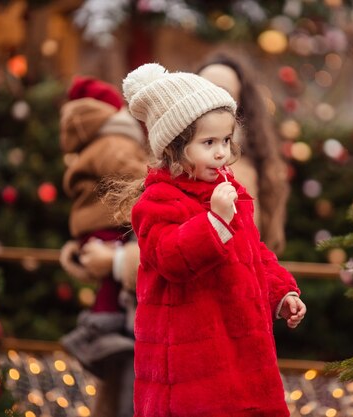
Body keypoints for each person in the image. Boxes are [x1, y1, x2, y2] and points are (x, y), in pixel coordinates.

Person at [109, 63, 306, 417]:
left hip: (242, 351)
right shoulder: (157, 202)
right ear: (173, 148)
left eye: (226, 141)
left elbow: (253, 251)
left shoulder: (228, 191)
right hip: (191, 367)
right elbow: (171, 258)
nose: (221, 153)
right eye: (209, 142)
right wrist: (214, 221)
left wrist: (281, 293)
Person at [58, 75, 148, 417]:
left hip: (93, 228)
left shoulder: (89, 145)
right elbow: (133, 176)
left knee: (110, 292)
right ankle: (99, 328)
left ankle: (98, 324)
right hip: (114, 224)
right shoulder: (115, 142)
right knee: (115, 299)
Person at [197, 52, 290, 255]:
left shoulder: (252, 170)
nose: (210, 99)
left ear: (239, 104)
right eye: (202, 89)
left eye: (222, 92)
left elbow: (260, 249)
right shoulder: (170, 154)